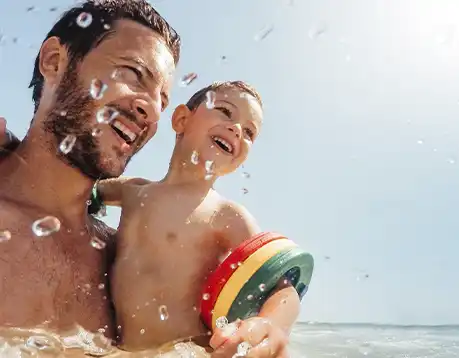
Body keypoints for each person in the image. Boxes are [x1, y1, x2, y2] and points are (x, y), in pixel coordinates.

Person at [0, 1, 290, 357]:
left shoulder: (115, 253)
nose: (151, 110)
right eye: (133, 73)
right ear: (54, 61)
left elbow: (274, 283)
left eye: (162, 100)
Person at [95, 81, 298, 356]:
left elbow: (282, 287)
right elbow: (76, 186)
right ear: (181, 119)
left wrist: (271, 324)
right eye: (225, 112)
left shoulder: (226, 215)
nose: (237, 129)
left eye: (249, 132)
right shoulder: (132, 191)